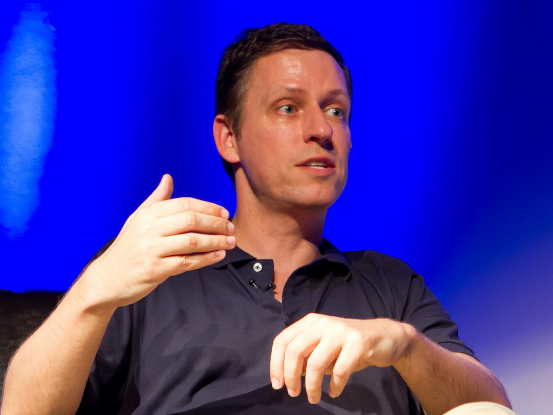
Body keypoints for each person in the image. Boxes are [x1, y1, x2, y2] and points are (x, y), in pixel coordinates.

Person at [2, 23, 512, 415]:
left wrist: (403, 344)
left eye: (336, 111)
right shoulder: (150, 273)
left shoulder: (389, 286)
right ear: (229, 138)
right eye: (288, 108)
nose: (321, 130)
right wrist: (94, 292)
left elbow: (490, 407)